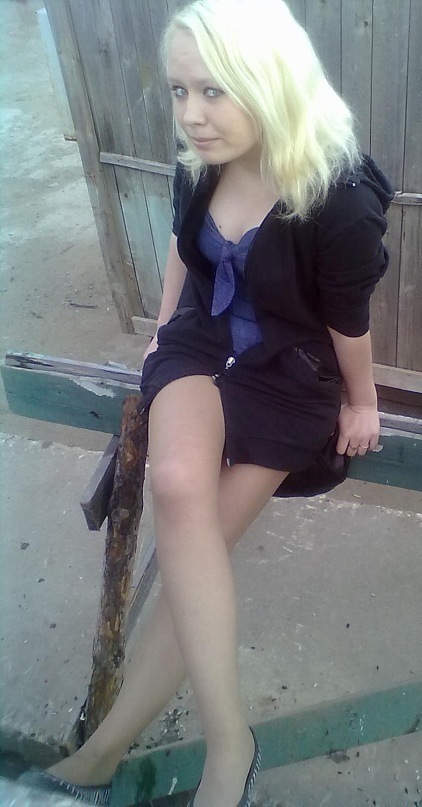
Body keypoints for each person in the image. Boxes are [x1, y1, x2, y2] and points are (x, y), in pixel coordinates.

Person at [20, 0, 393, 805]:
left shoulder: (337, 192)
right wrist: (163, 329)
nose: (191, 113)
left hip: (288, 375)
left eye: (214, 90)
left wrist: (363, 401)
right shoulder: (200, 161)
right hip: (201, 345)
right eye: (180, 90)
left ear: (270, 79)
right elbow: (182, 249)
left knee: (197, 561)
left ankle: (157, 749)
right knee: (176, 482)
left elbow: (348, 318)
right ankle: (199, 744)